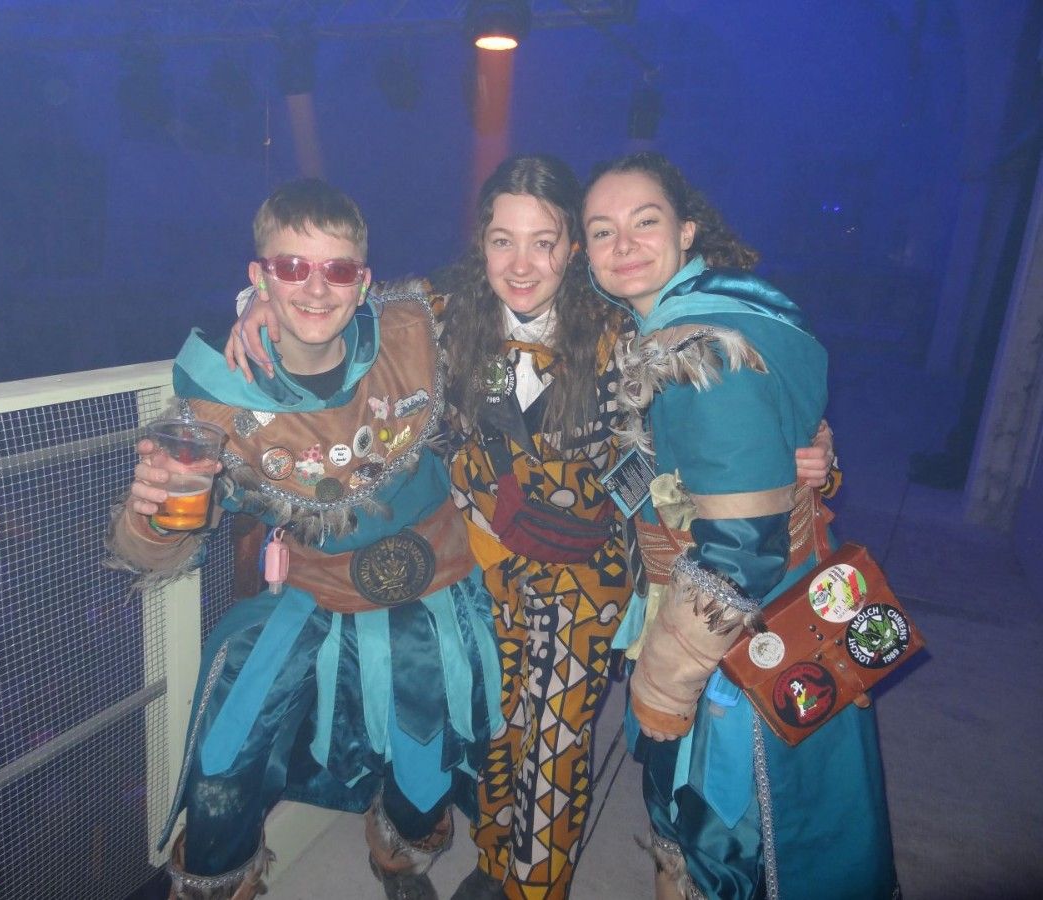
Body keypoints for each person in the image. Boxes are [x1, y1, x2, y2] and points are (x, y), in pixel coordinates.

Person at [226, 157, 835, 900]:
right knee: (495, 737)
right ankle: (494, 866)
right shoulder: (441, 316)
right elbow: (334, 304)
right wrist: (257, 306)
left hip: (585, 580)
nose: (521, 265)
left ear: (572, 249)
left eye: (543, 242)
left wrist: (809, 446)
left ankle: (533, 889)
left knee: (555, 752)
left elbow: (725, 407)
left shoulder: (622, 328)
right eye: (502, 241)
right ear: (480, 243)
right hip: (484, 573)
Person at [106, 178, 504, 900]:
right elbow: (163, 547)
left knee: (423, 749)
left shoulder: (412, 331)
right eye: (291, 267)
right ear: (258, 276)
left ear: (363, 283)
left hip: (434, 581)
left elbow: (511, 283)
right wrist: (149, 516)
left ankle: (399, 855)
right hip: (315, 588)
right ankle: (220, 882)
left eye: (337, 270)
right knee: (229, 741)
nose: (316, 288)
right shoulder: (219, 398)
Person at [582, 151, 897, 899]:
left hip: (738, 636)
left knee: (722, 834)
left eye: (644, 221)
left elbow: (741, 548)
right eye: (601, 231)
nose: (623, 245)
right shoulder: (697, 315)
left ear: (687, 230)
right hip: (773, 602)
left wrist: (668, 676)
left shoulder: (700, 351)